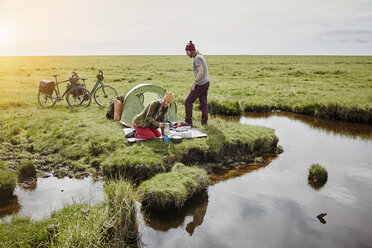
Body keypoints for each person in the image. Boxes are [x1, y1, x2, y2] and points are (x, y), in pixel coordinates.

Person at [184, 41, 210, 126]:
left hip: (200, 84)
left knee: (188, 101)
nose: (186, 54)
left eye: (187, 52)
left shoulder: (197, 58)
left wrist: (194, 83)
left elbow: (201, 72)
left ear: (191, 51)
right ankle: (204, 122)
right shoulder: (200, 56)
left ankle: (188, 122)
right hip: (206, 83)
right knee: (203, 103)